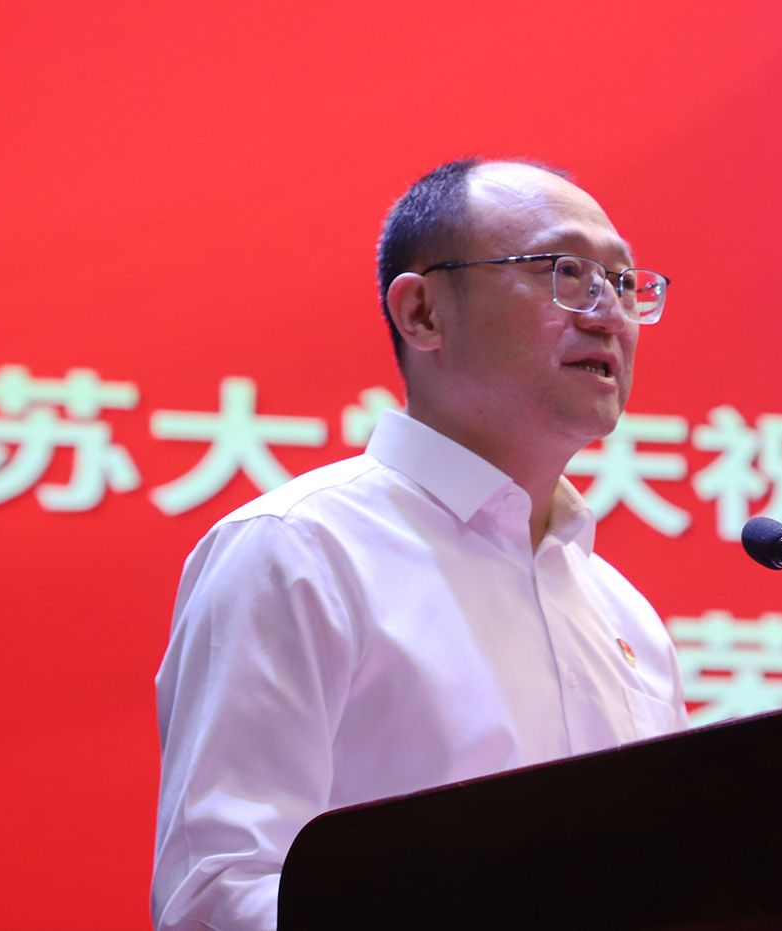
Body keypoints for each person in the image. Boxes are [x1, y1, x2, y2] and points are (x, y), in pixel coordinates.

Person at [151, 158, 688, 930]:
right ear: (423, 313)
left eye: (625, 282)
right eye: (566, 272)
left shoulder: (625, 616)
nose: (608, 313)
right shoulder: (298, 552)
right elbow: (219, 893)